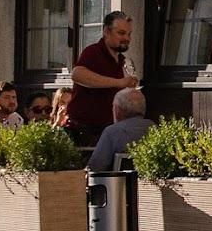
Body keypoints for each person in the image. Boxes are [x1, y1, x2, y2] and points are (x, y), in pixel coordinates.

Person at [65, 11, 137, 145]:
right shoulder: (93, 52)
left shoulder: (123, 61)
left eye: (129, 34)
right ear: (106, 31)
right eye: (121, 33)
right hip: (85, 130)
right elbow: (77, 74)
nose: (126, 38)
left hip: (111, 130)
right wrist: (119, 82)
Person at [87, 88, 155, 171]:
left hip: (118, 182)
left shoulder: (112, 132)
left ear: (118, 110)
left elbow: (96, 167)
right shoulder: (155, 129)